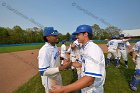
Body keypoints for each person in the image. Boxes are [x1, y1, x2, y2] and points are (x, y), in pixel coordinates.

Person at [50, 24, 106, 93]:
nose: (76, 37)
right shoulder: (84, 48)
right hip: (85, 88)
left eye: (78, 34)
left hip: (93, 89)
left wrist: (63, 89)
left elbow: (90, 80)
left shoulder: (92, 49)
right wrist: (70, 64)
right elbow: (81, 64)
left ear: (85, 34)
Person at [38, 27, 71, 93]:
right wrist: (61, 68)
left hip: (57, 74)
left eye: (57, 35)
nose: (57, 37)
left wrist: (63, 59)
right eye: (54, 35)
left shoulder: (55, 46)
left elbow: (56, 56)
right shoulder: (44, 50)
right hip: (49, 78)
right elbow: (43, 71)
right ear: (47, 37)